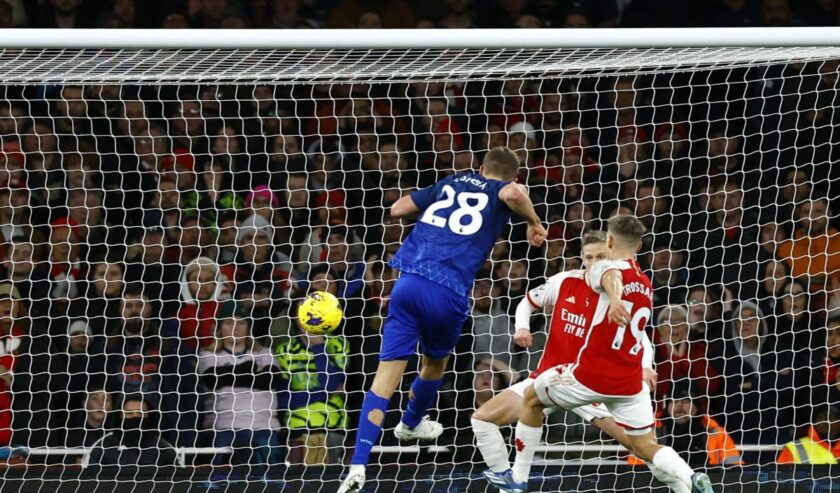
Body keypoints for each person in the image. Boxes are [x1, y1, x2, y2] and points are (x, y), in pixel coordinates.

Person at [338, 147, 547, 493]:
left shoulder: (451, 181)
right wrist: (534, 222)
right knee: (434, 363)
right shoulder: (506, 189)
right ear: (513, 175)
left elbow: (396, 209)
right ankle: (411, 422)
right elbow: (511, 193)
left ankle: (358, 465)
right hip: (447, 291)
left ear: (480, 168)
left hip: (406, 282)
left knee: (383, 380)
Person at [506, 215, 712, 493]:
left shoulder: (604, 267)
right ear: (639, 247)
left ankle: (516, 480)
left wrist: (615, 298)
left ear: (610, 241)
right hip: (628, 381)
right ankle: (691, 478)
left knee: (531, 400)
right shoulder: (646, 283)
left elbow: (610, 274)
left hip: (592, 374)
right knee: (644, 445)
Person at [198, 301, 282, 467]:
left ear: (248, 327)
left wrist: (230, 374)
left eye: (241, 322)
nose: (235, 328)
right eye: (229, 322)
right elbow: (213, 379)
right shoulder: (207, 354)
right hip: (222, 427)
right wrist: (250, 369)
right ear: (220, 327)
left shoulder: (265, 352)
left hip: (263, 426)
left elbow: (270, 380)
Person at [87, 393, 177, 468]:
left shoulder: (162, 447)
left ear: (149, 417)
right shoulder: (103, 446)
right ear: (119, 417)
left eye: (141, 413)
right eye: (129, 413)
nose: (135, 417)